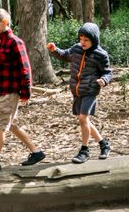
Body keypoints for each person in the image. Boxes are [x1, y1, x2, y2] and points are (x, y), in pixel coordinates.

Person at [0, 9, 45, 175]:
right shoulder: (2, 43)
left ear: (5, 23)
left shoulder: (15, 42)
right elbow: (1, 73)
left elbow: (25, 68)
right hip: (3, 92)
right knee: (11, 125)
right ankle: (36, 152)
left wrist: (26, 92)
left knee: (0, 125)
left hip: (11, 91)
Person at [47, 22, 113, 163]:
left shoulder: (100, 55)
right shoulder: (77, 49)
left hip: (90, 90)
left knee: (83, 118)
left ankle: (84, 150)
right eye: (81, 39)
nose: (82, 42)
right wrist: (54, 50)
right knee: (85, 120)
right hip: (77, 90)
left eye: (86, 40)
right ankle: (104, 144)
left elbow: (107, 72)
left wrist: (104, 80)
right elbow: (65, 55)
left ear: (94, 40)